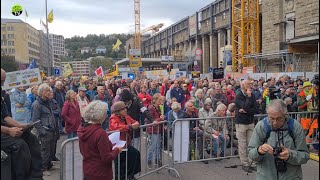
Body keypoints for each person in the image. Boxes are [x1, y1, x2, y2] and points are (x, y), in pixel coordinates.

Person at [248, 99, 309, 179]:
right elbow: (251, 154)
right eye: (271, 118)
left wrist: (290, 155)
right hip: (266, 176)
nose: (275, 122)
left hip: (291, 176)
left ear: (285, 114)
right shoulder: (261, 126)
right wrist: (259, 151)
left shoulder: (295, 127)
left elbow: (305, 155)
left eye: (279, 118)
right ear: (268, 114)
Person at [1, 68, 43, 180]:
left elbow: (6, 116)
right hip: (3, 131)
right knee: (20, 145)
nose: (3, 84)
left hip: (3, 127)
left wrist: (19, 126)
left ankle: (36, 175)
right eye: (1, 81)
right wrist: (9, 131)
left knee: (32, 138)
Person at [78, 101, 122, 180]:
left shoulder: (82, 129)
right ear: (101, 115)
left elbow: (83, 151)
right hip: (100, 173)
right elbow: (106, 158)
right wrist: (117, 150)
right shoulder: (100, 133)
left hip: (88, 170)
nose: (106, 116)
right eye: (105, 113)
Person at [109, 101, 141, 180]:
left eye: (125, 108)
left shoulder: (126, 116)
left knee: (135, 154)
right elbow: (115, 127)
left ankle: (130, 175)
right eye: (123, 109)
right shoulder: (113, 118)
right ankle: (122, 177)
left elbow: (135, 121)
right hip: (117, 145)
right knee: (120, 165)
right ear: (118, 111)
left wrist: (136, 123)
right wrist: (130, 126)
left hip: (125, 143)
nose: (126, 110)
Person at [31, 83, 57, 176]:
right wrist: (42, 131)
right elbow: (35, 121)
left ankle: (48, 165)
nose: (49, 92)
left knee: (50, 150)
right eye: (47, 91)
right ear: (42, 92)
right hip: (45, 132)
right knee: (44, 150)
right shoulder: (37, 104)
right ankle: (43, 168)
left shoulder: (48, 101)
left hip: (51, 130)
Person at [235, 79, 257, 172]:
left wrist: (246, 110)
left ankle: (252, 163)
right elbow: (245, 106)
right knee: (242, 145)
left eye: (250, 84)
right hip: (241, 123)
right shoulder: (239, 95)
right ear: (243, 85)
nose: (250, 86)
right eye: (248, 84)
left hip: (250, 122)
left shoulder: (252, 95)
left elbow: (255, 109)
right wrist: (248, 98)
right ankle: (245, 163)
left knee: (251, 144)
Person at [146, 93, 165, 167]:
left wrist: (162, 118)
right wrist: (161, 118)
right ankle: (149, 160)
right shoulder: (151, 108)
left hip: (158, 129)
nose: (161, 101)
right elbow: (151, 120)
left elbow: (160, 118)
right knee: (153, 145)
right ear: (155, 100)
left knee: (158, 145)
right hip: (153, 130)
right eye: (160, 99)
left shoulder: (159, 107)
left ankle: (157, 159)